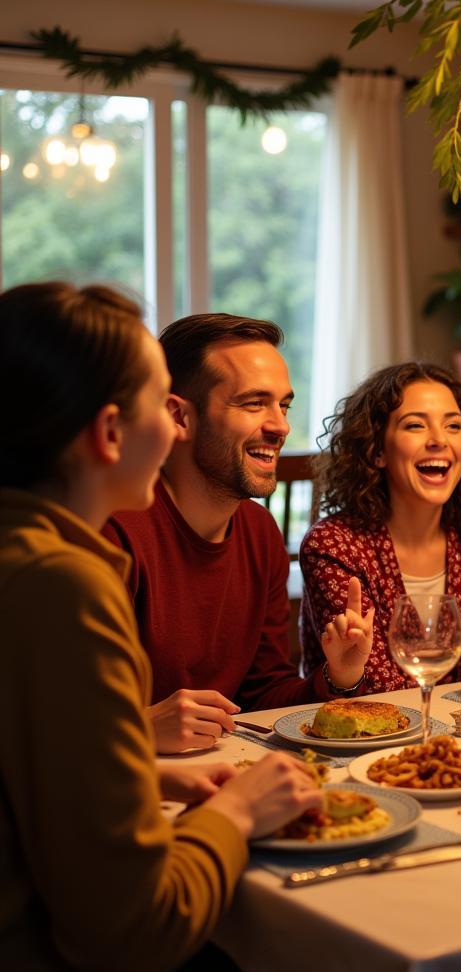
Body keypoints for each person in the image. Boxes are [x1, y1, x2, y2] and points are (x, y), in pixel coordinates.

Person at [0, 282, 323, 972]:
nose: (173, 428)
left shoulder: (28, 555)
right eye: (159, 404)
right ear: (113, 432)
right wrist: (235, 814)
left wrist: (139, 776)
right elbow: (131, 937)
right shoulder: (62, 585)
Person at [104, 313, 349, 754]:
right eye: (254, 404)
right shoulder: (115, 532)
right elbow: (48, 720)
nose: (280, 426)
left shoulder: (260, 532)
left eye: (284, 405)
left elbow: (262, 696)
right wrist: (137, 727)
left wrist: (335, 678)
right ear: (179, 416)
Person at [300, 362, 461, 693]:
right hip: (363, 737)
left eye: (453, 426)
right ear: (377, 450)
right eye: (416, 425)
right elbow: (372, 686)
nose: (438, 440)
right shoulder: (333, 545)